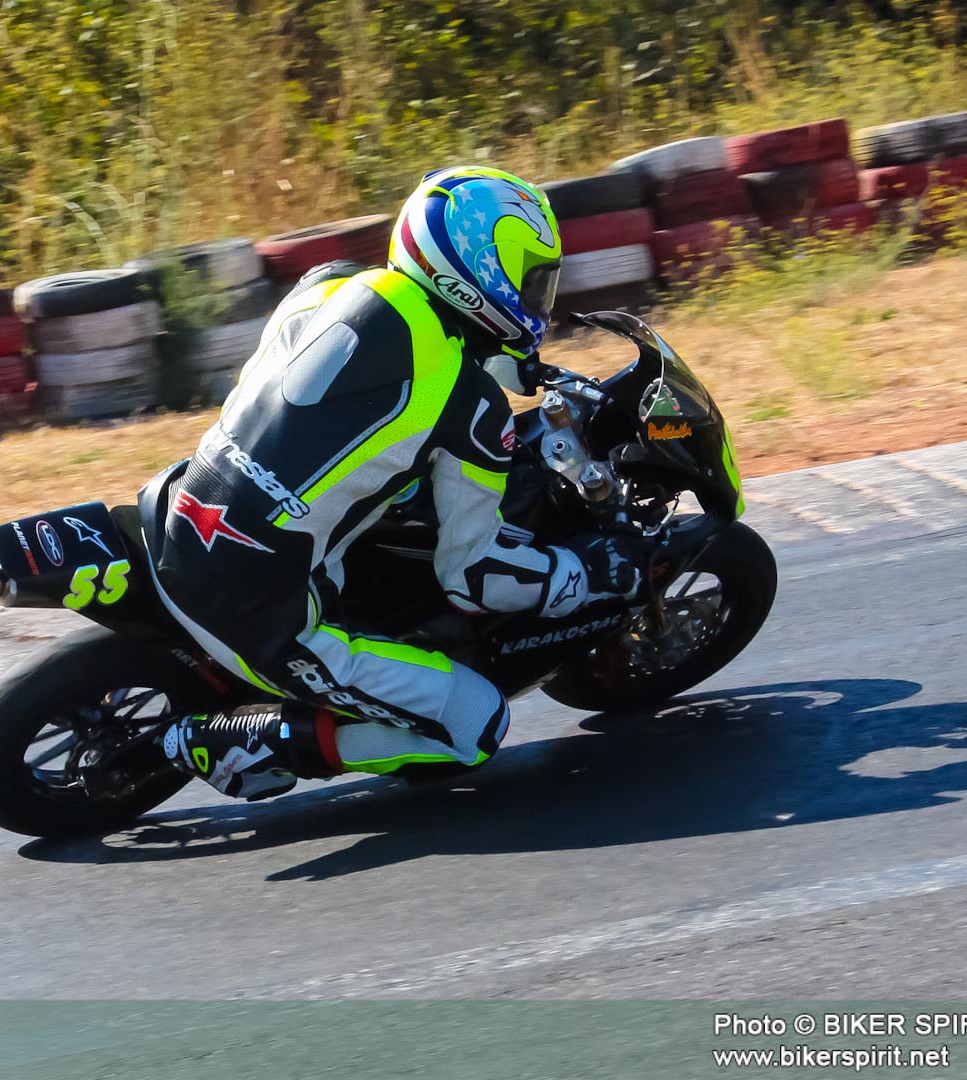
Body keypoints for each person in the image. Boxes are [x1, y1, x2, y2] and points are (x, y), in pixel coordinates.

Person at [154, 166, 645, 800]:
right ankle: (254, 741)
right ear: (481, 271)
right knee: (475, 726)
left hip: (182, 507)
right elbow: (472, 577)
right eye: (531, 281)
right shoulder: (472, 410)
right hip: (259, 612)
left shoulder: (329, 284)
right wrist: (586, 572)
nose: (538, 300)